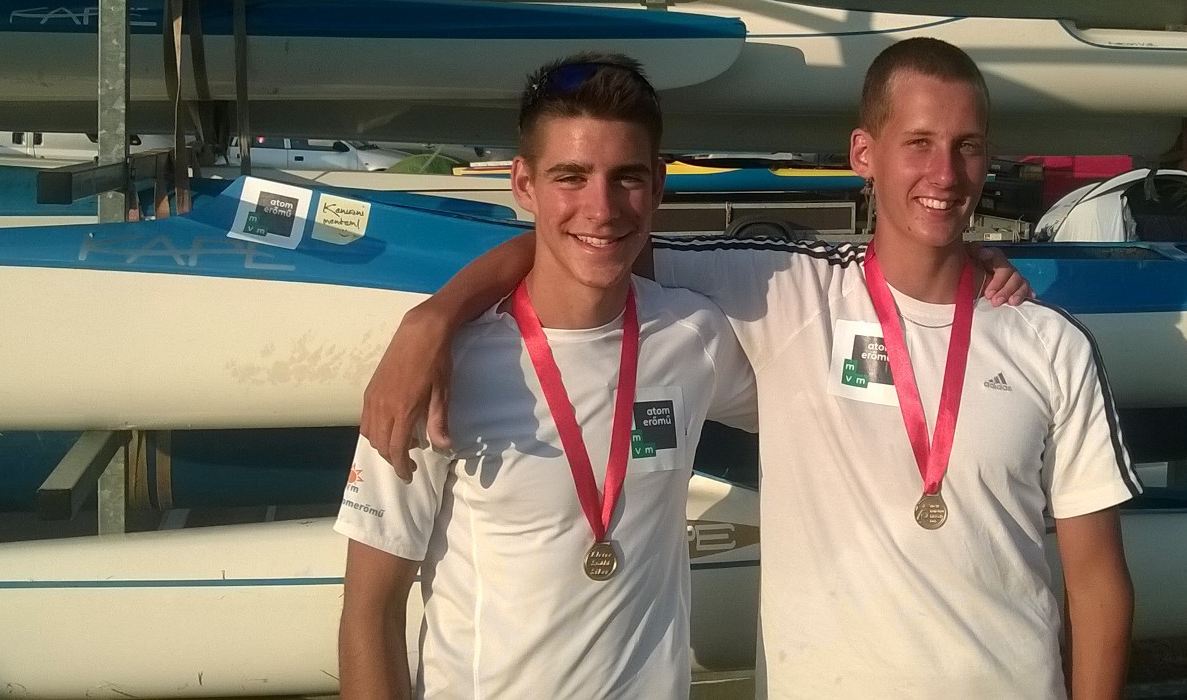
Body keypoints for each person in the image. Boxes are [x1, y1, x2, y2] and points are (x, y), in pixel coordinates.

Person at [361, 38, 1138, 699]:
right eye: (919, 143)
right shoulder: (787, 291)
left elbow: (1098, 584)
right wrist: (436, 317)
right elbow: (589, 245)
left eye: (966, 146)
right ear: (863, 155)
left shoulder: (1050, 344)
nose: (944, 172)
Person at [335, 54, 759, 699]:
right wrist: (435, 318)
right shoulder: (441, 370)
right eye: (571, 177)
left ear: (658, 185)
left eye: (627, 177)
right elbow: (371, 612)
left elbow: (830, 397)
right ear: (524, 184)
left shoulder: (694, 336)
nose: (601, 208)